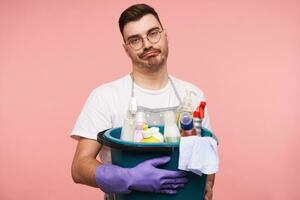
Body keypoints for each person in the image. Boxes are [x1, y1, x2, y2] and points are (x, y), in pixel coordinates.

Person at [71, 3, 216, 200]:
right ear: (126, 49)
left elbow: (207, 153)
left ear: (166, 36)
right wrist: (126, 177)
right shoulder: (105, 96)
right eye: (135, 40)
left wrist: (206, 185)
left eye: (153, 33)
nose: (147, 44)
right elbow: (79, 167)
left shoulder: (193, 95)